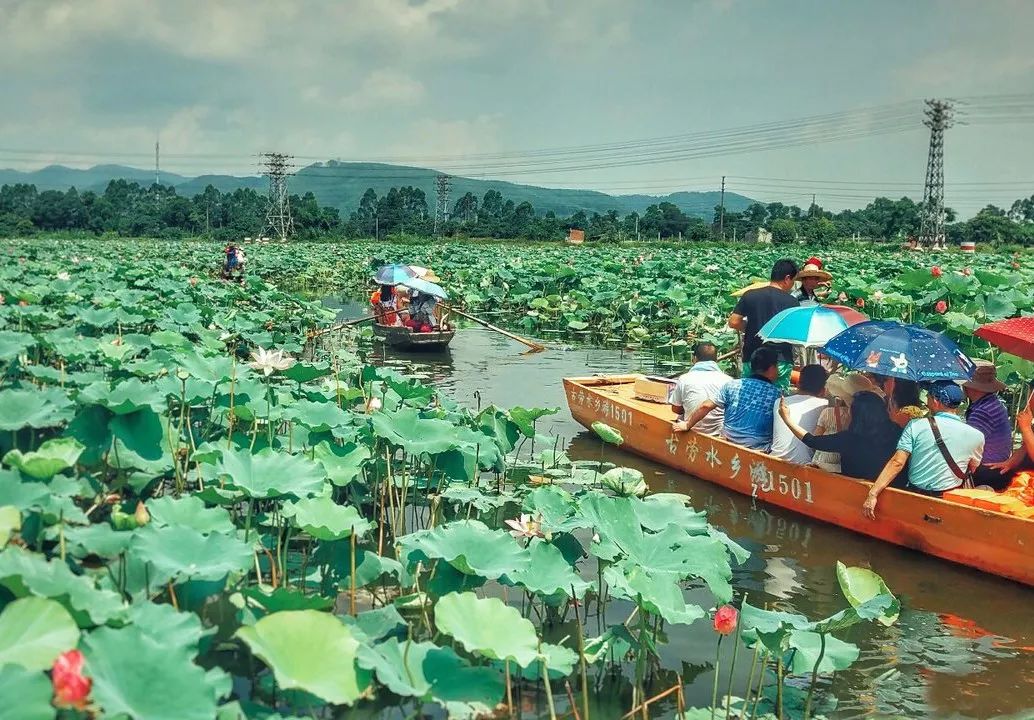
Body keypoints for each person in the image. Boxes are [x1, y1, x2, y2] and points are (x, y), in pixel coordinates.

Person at [863, 380, 985, 519]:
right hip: (949, 500)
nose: (926, 399)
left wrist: (873, 494)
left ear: (935, 400)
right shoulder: (977, 436)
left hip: (916, 497)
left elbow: (897, 462)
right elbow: (972, 468)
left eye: (928, 396)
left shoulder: (916, 425)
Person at [675, 346, 782, 451]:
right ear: (772, 368)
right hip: (758, 448)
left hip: (728, 442)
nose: (778, 371)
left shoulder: (732, 385)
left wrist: (687, 425)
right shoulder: (776, 395)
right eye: (777, 367)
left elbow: (705, 406)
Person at [779, 390, 901, 481]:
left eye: (850, 408)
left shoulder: (849, 439)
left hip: (853, 491)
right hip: (889, 487)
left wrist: (787, 419)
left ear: (857, 414)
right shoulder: (896, 431)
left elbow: (812, 441)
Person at [729, 259, 799, 390]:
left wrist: (750, 328)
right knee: (778, 399)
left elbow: (733, 322)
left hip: (752, 356)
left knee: (749, 395)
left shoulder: (750, 295)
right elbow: (793, 331)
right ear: (787, 278)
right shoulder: (792, 302)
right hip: (780, 359)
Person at [810, 373, 884, 472]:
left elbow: (815, 439)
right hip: (849, 467)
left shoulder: (828, 413)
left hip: (824, 464)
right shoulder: (867, 419)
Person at [961, 360, 1014, 490]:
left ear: (970, 387)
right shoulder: (992, 402)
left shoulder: (983, 411)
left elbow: (967, 444)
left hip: (987, 469)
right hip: (994, 466)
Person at [668, 342, 732, 436]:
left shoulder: (685, 378)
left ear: (694, 359)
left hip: (691, 428)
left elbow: (676, 408)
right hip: (718, 433)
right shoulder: (729, 381)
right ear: (716, 359)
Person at [770, 364, 829, 463]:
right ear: (823, 390)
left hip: (775, 458)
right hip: (805, 464)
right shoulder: (824, 406)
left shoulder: (779, 402)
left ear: (798, 384)